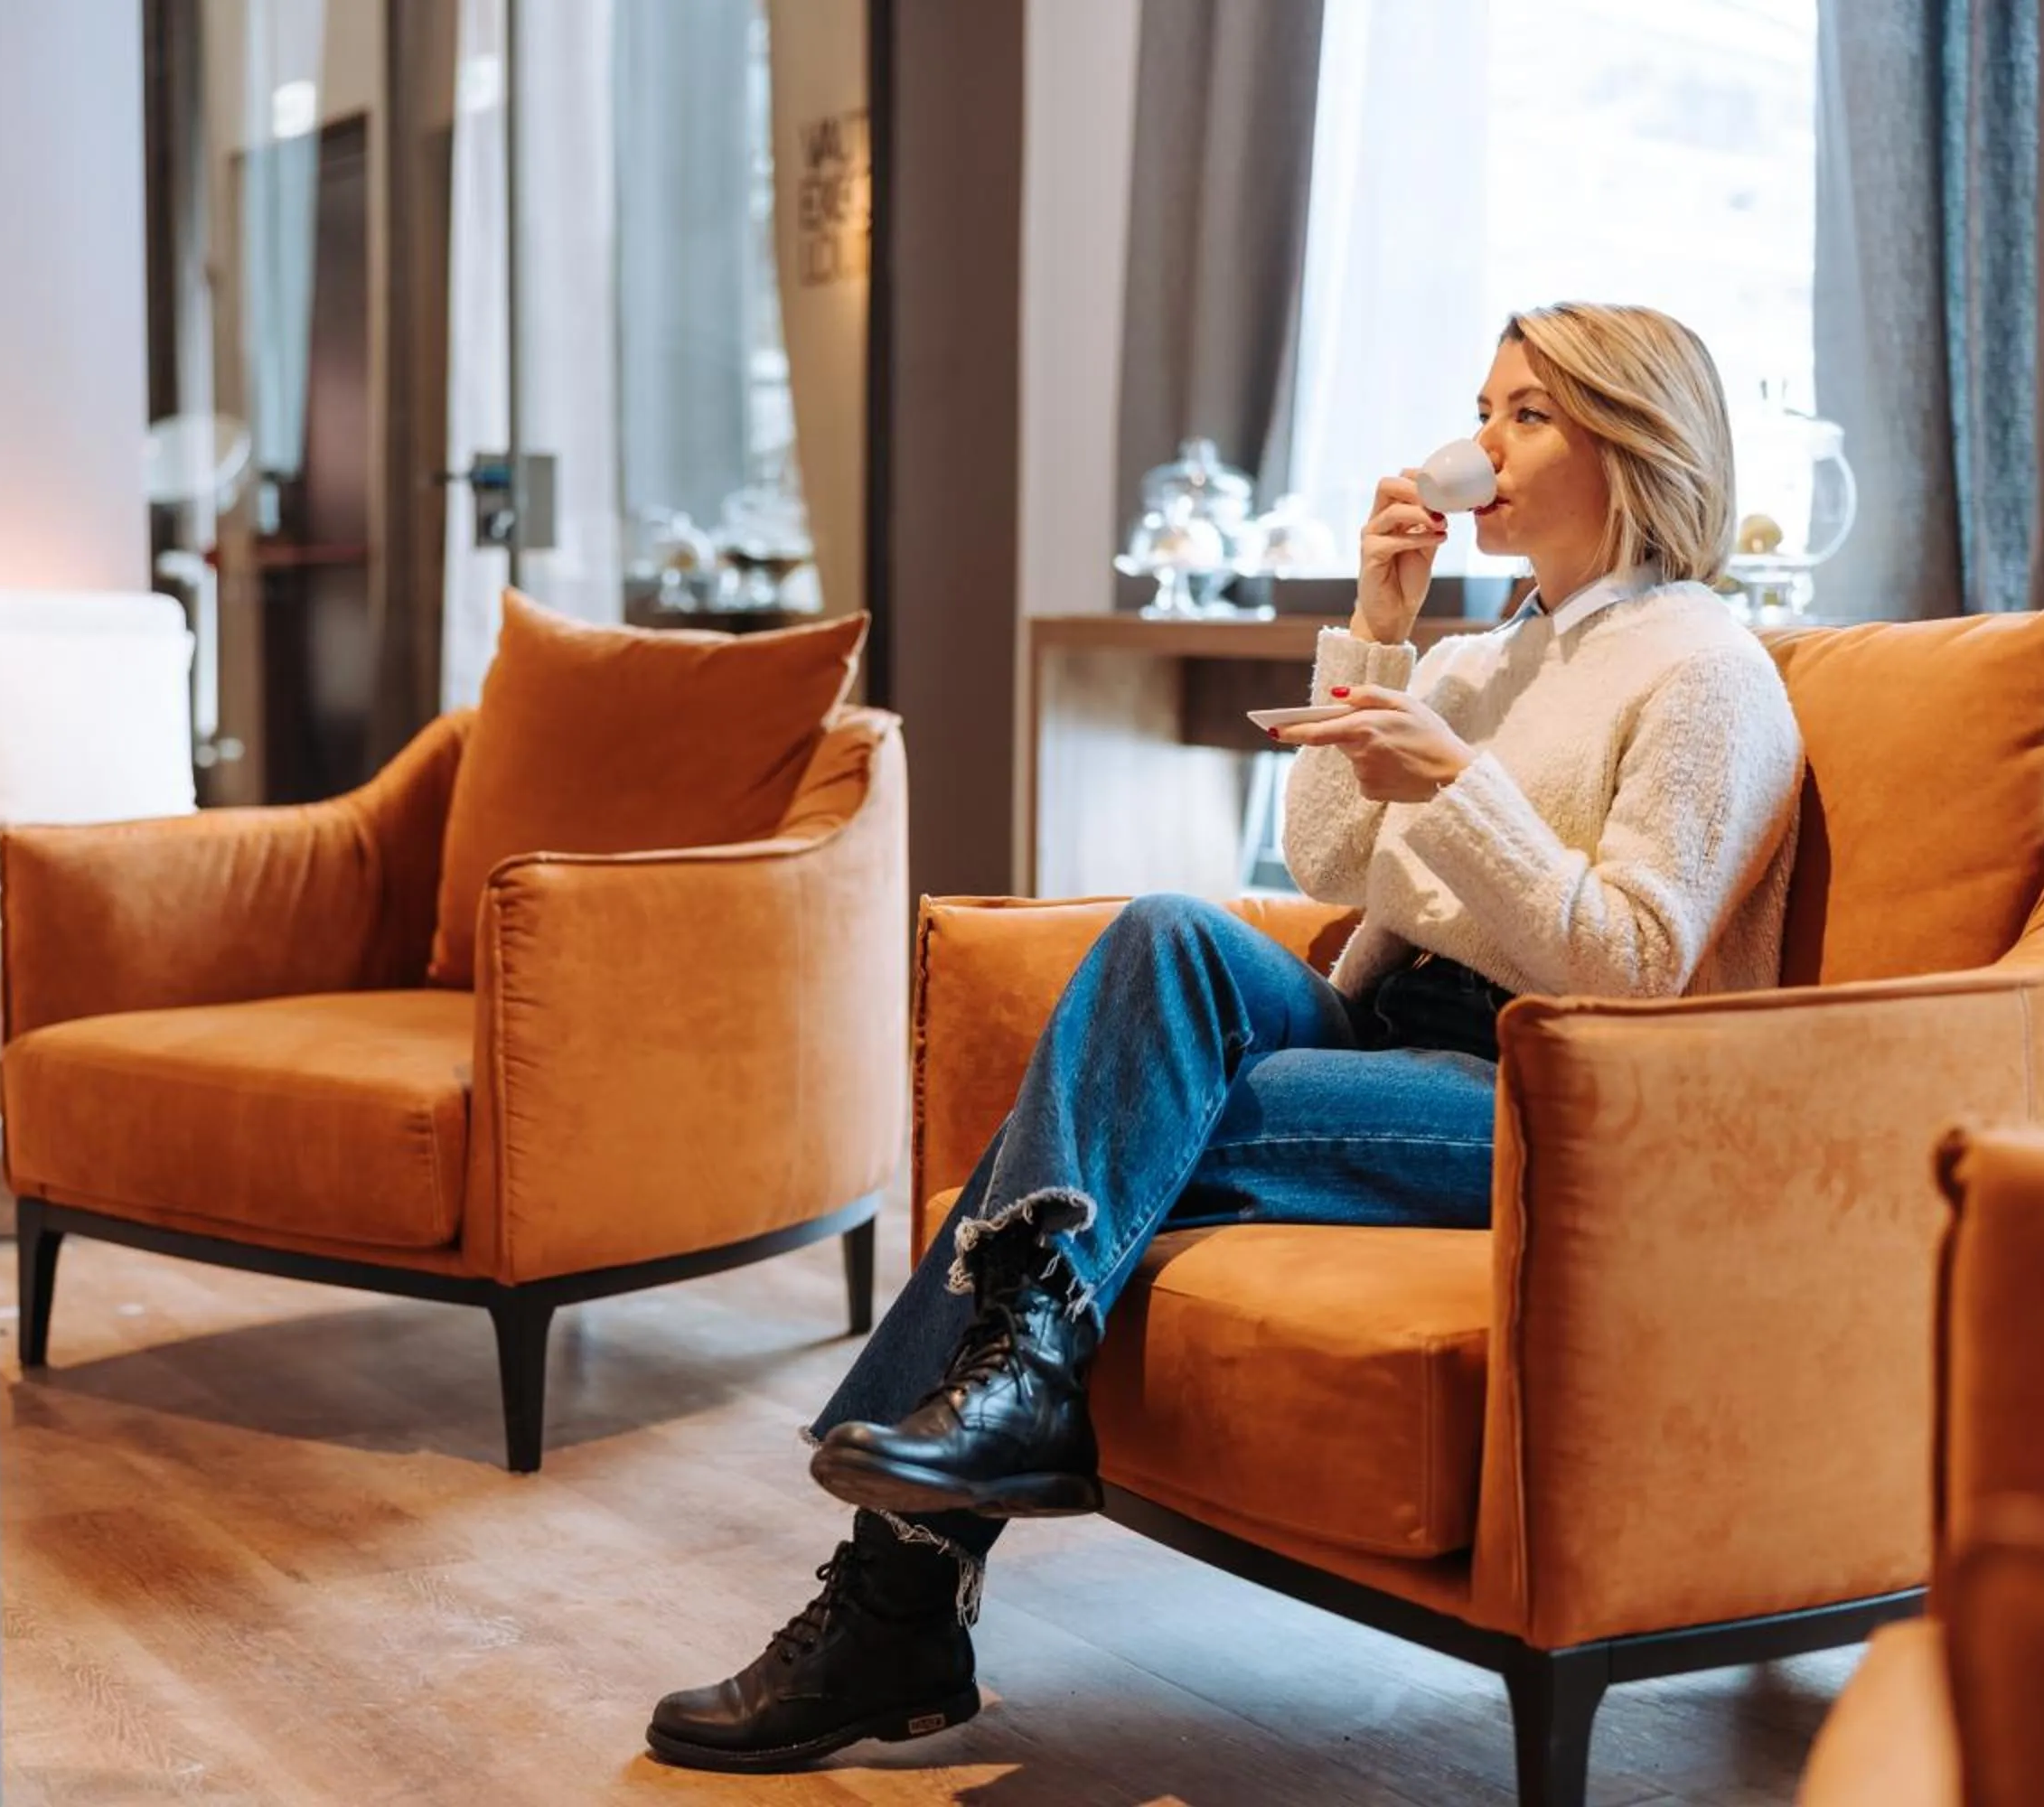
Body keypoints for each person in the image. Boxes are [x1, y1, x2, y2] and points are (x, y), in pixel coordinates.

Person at [644, 301, 1808, 1774]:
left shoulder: (1709, 671)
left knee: (1123, 1123)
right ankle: (998, 1423)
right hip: (1392, 1031)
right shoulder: (1481, 658)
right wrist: (1380, 634)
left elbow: (1634, 970)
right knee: (1165, 936)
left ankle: (905, 1588)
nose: (1481, 444)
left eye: (1528, 413)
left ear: (1636, 440)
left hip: (1548, 1090)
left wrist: (1458, 788)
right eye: (1484, 407)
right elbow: (1327, 862)